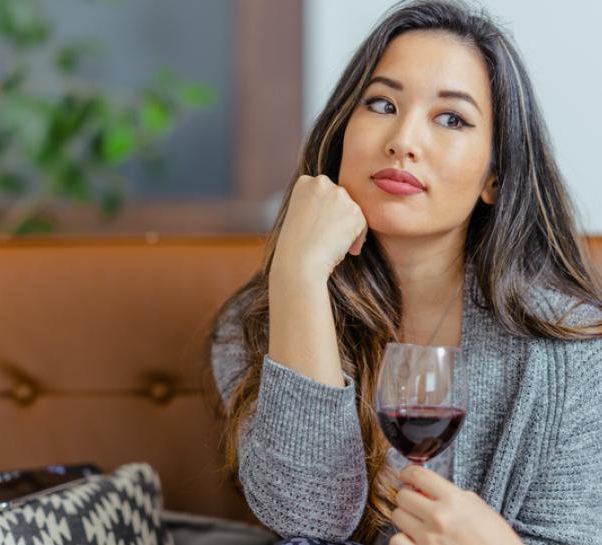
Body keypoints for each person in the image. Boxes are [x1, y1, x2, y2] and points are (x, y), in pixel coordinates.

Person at [209, 0, 602, 544]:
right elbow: (308, 522)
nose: (403, 141)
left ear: (494, 178)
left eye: (451, 118)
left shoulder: (571, 351)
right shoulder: (254, 324)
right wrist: (297, 275)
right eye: (381, 103)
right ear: (343, 132)